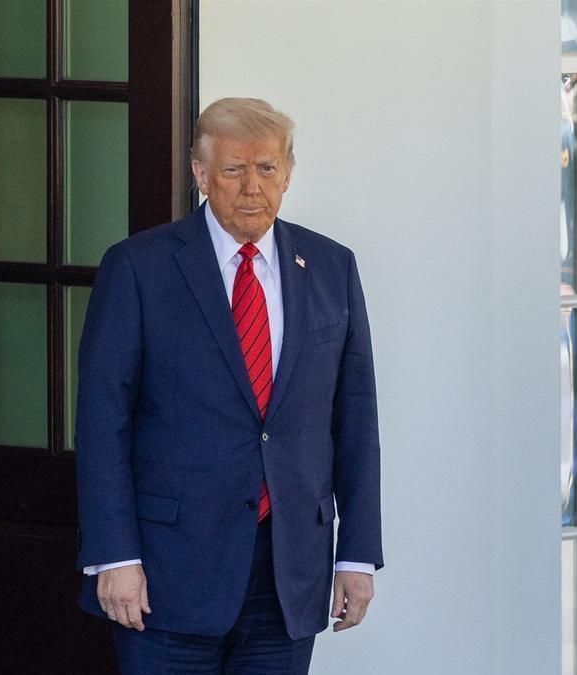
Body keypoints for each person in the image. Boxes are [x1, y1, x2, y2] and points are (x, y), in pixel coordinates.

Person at [75, 97, 383, 673]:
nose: (252, 187)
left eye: (266, 168)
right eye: (233, 169)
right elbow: (102, 422)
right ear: (200, 174)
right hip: (166, 577)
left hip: (290, 572)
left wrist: (358, 557)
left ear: (287, 174)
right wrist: (113, 555)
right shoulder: (139, 268)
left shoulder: (331, 267)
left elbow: (356, 419)